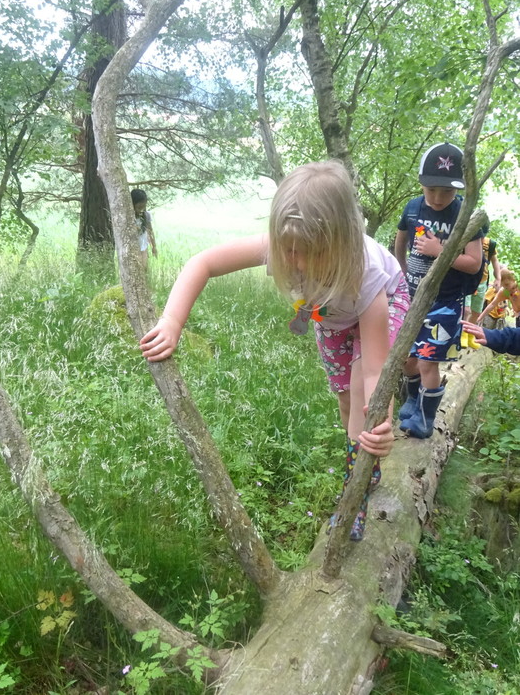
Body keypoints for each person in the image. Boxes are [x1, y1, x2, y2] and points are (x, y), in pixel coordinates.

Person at [140, 160, 410, 540]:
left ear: (341, 242)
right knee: (346, 400)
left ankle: (357, 491)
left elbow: (375, 372)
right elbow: (203, 263)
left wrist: (381, 422)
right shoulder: (283, 243)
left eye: (311, 252)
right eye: (289, 251)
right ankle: (364, 462)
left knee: (361, 390)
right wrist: (171, 321)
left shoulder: (365, 274)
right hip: (331, 315)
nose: (297, 262)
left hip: (383, 303)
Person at [394, 142, 484, 439]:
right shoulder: (413, 207)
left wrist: (439, 250)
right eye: (431, 189)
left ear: (459, 189)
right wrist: (401, 271)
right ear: (421, 183)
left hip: (444, 302)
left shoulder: (464, 215)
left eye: (446, 191)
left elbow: (473, 263)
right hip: (411, 297)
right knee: (407, 359)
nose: (437, 197)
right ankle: (412, 401)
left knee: (427, 360)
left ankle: (425, 418)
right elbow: (401, 238)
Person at [461, 233, 500, 349]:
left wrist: (498, 278)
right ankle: (462, 334)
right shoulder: (468, 239)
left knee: (476, 311)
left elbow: (495, 261)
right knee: (466, 310)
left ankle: (469, 335)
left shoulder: (490, 244)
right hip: (467, 279)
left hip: (482, 282)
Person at [131, 189, 158, 269]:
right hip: (132, 248)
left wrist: (154, 247)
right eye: (139, 207)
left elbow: (150, 231)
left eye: (143, 207)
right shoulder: (129, 217)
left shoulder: (146, 215)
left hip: (143, 247)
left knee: (144, 268)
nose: (141, 210)